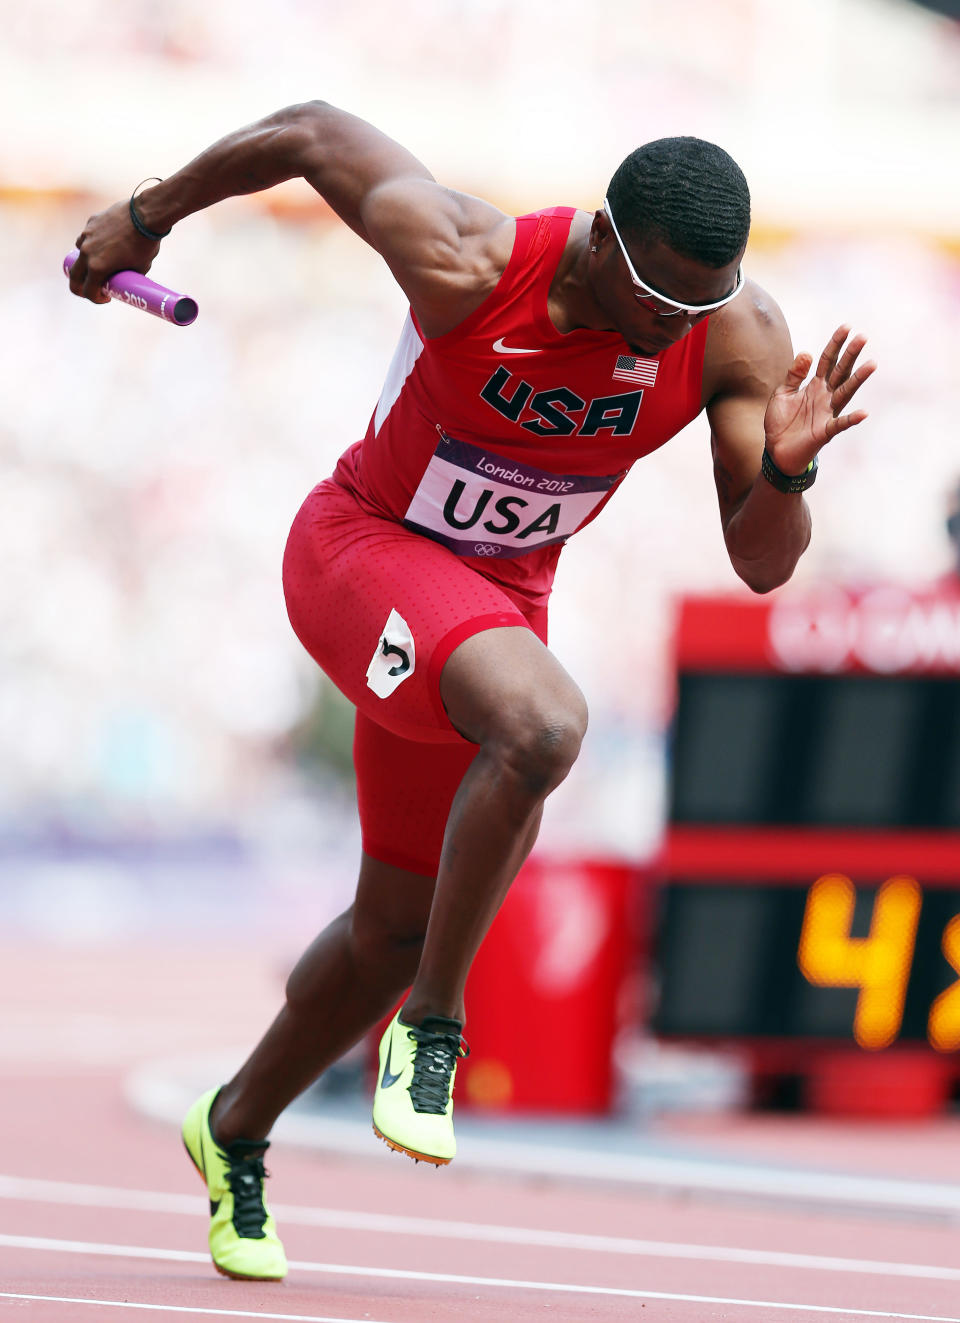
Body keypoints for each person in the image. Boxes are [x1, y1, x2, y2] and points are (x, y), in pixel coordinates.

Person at [69, 99, 874, 1282]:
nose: (669, 331)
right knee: (546, 722)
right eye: (655, 301)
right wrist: (145, 218)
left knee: (390, 927)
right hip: (365, 553)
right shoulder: (466, 255)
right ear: (605, 241)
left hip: (496, 607)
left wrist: (791, 473)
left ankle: (235, 1123)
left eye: (697, 307)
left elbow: (761, 562)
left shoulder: (734, 335)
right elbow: (305, 133)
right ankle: (433, 1032)